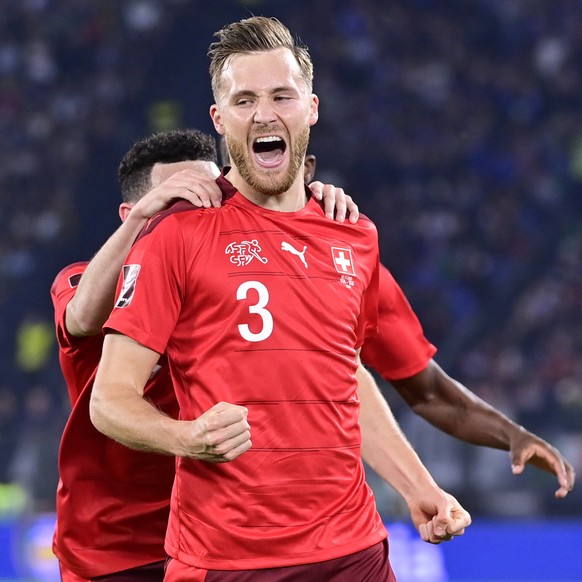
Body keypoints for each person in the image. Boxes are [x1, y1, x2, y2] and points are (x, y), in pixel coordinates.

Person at [90, 16, 470, 581]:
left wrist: (417, 485)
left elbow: (342, 373)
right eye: (244, 100)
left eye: (281, 96)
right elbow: (109, 399)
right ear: (221, 121)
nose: (264, 113)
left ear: (310, 108)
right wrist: (184, 437)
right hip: (226, 562)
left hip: (355, 553)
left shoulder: (354, 234)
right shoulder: (178, 235)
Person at [49, 128, 365, 582]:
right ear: (131, 213)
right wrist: (147, 220)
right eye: (178, 200)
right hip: (110, 547)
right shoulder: (85, 279)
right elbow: (79, 320)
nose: (197, 211)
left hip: (215, 535)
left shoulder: (235, 285)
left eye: (208, 194)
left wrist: (307, 204)